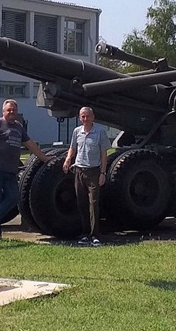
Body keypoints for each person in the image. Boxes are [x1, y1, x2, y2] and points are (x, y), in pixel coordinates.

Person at [0, 99, 51, 242]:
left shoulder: (18, 126)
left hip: (11, 170)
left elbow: (29, 143)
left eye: (13, 110)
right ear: (3, 111)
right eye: (8, 110)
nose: (11, 112)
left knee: (13, 197)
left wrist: (43, 157)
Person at [62, 106, 111, 247]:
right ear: (79, 118)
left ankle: (95, 235)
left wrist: (103, 173)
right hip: (79, 170)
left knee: (93, 203)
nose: (85, 119)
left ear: (93, 117)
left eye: (87, 116)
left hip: (93, 171)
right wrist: (68, 159)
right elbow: (72, 147)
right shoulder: (77, 131)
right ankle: (85, 234)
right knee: (81, 203)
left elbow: (104, 154)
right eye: (82, 116)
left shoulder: (100, 132)